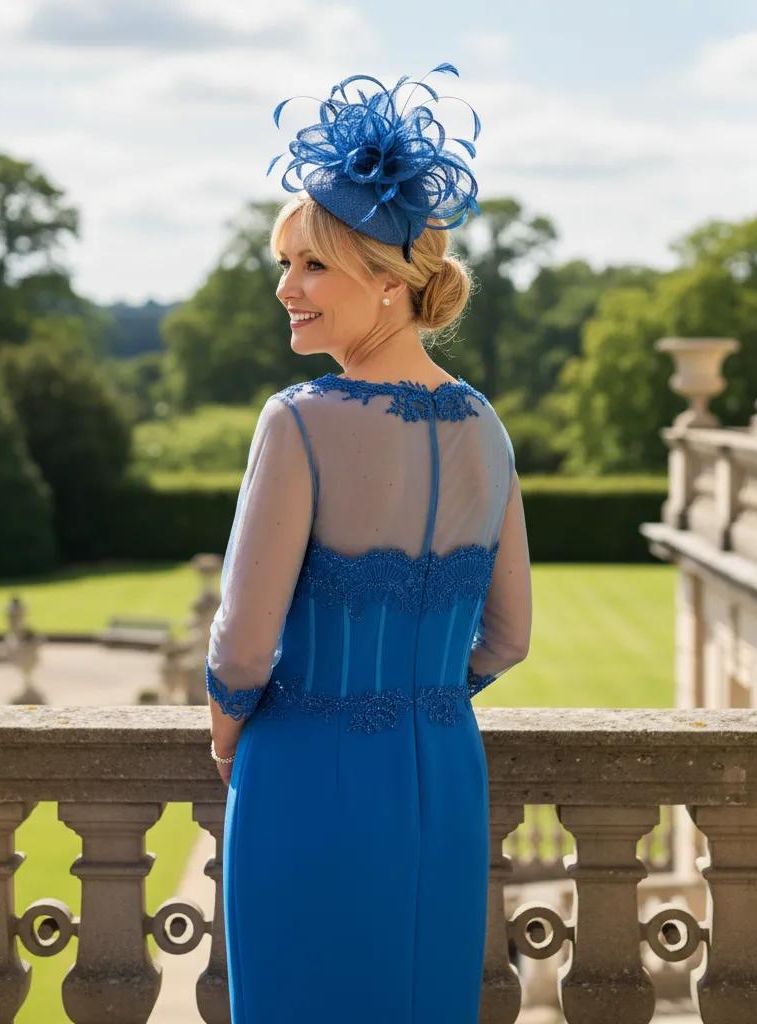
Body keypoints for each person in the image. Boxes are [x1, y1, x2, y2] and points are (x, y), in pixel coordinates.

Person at [205, 63, 533, 1023]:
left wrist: (232, 732)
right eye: (285, 262)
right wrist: (421, 693)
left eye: (310, 264)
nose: (285, 288)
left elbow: (242, 646)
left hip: (305, 771)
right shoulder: (487, 428)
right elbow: (510, 638)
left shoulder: (299, 421)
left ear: (388, 284)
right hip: (443, 768)